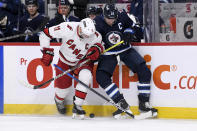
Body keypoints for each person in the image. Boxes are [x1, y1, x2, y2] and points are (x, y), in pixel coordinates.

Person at [94, 3, 157, 119]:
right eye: (109, 19)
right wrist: (96, 49)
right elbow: (93, 41)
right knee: (101, 76)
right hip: (109, 54)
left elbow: (138, 30)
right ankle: (120, 102)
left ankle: (144, 104)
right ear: (104, 15)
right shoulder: (97, 22)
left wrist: (130, 31)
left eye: (113, 19)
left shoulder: (123, 16)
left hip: (125, 50)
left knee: (145, 71)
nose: (111, 21)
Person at [39, 18, 104, 119]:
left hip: (83, 61)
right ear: (80, 29)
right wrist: (46, 50)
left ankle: (78, 105)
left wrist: (97, 50)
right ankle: (59, 100)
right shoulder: (67, 27)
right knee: (62, 91)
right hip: (64, 61)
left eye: (89, 35)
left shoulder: (95, 36)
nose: (88, 37)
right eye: (86, 34)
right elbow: (45, 34)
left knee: (86, 77)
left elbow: (100, 46)